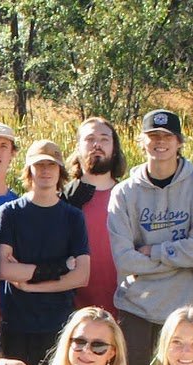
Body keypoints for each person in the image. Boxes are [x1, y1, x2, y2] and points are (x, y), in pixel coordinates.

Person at [107, 110, 193, 365]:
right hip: (137, 309)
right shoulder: (124, 193)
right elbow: (125, 260)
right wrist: (176, 257)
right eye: (153, 136)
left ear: (179, 141)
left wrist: (153, 252)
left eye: (167, 136)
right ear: (142, 141)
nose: (160, 142)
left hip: (188, 309)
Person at [0, 140, 91, 365]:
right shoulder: (10, 212)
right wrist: (60, 268)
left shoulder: (73, 217)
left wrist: (31, 285)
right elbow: (3, 269)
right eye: (40, 165)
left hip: (58, 322)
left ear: (60, 171)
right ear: (29, 171)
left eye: (52, 165)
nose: (46, 170)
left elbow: (81, 276)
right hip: (17, 323)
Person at [64, 117, 126, 316]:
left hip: (126, 311)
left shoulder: (129, 196)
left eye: (104, 139)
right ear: (78, 147)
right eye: (89, 139)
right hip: (72, 314)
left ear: (114, 148)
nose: (97, 145)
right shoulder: (63, 199)